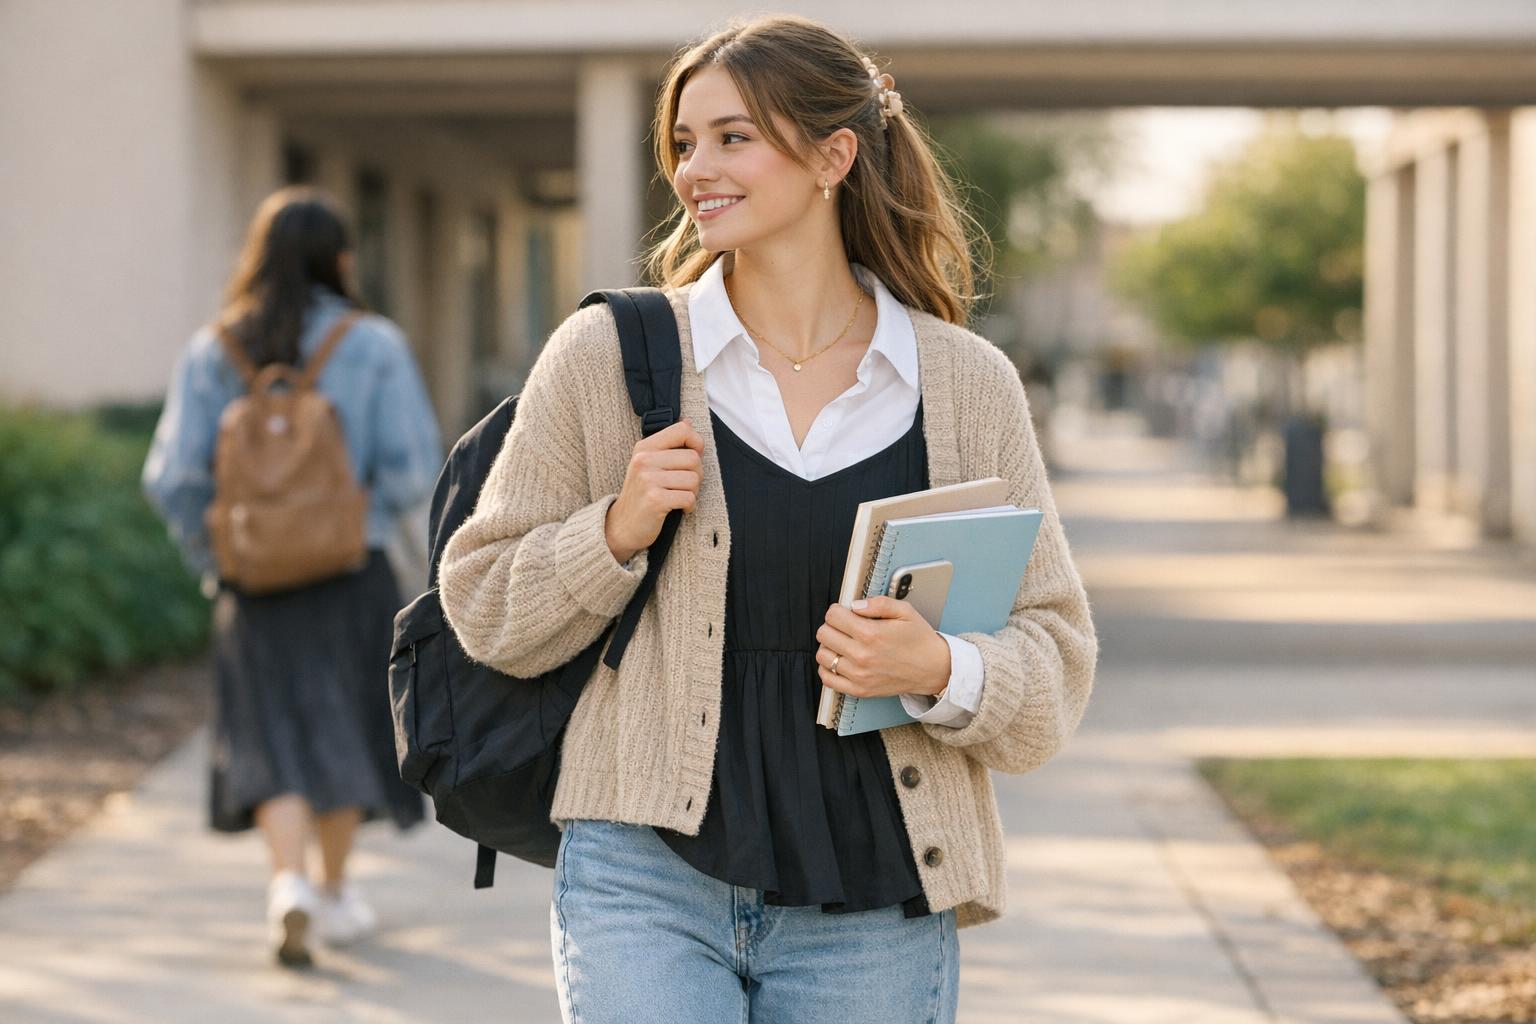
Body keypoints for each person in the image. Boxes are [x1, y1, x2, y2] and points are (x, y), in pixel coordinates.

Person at [438, 14, 1097, 1023]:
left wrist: (939, 669)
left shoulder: (965, 384)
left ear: (835, 155)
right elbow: (482, 602)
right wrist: (611, 532)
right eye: (685, 144)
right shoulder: (609, 358)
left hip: (877, 888)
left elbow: (1055, 655)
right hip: (643, 876)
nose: (697, 167)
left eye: (732, 137)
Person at [142, 187, 443, 968]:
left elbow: (171, 478)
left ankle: (287, 884)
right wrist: (360, 517)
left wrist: (219, 560)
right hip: (351, 573)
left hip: (252, 583)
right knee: (342, 721)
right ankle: (336, 893)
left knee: (266, 731)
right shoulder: (372, 343)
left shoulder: (215, 350)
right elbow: (414, 469)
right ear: (340, 258)